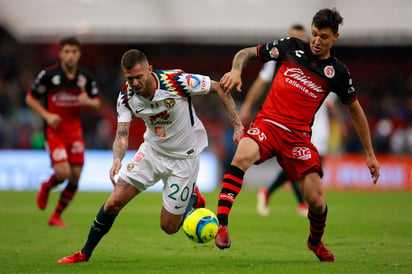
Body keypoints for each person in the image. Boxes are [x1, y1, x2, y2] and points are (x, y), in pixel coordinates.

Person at [215, 8, 380, 262]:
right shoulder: (290, 47)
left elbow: (356, 112)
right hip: (268, 124)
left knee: (316, 201)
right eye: (313, 34)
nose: (316, 40)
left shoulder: (337, 72)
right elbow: (245, 53)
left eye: (322, 37)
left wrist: (370, 154)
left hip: (298, 139)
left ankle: (315, 243)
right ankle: (222, 225)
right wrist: (236, 70)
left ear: (335, 37)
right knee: (242, 155)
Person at [57, 49, 243, 264]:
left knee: (169, 227)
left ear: (150, 70)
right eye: (129, 78)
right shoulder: (126, 97)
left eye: (139, 77)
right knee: (113, 203)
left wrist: (237, 126)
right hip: (151, 153)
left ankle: (191, 195)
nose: (135, 83)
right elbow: (122, 133)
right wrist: (117, 158)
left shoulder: (177, 81)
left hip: (183, 160)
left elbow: (219, 86)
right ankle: (84, 253)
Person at [26, 36, 100, 227]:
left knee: (75, 176)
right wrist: (47, 115)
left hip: (75, 132)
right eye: (66, 52)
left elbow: (96, 103)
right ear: (60, 54)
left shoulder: (86, 78)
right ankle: (47, 186)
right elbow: (30, 99)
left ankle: (56, 215)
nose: (70, 56)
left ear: (79, 54)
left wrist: (88, 102)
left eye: (74, 52)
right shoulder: (48, 75)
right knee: (63, 173)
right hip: (54, 131)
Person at [239, 24, 311, 216]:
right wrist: (246, 107)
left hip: (309, 117)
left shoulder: (314, 62)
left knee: (297, 159)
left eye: (300, 39)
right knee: (295, 158)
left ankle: (271, 193)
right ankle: (299, 203)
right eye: (292, 38)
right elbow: (260, 84)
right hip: (281, 118)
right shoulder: (276, 58)